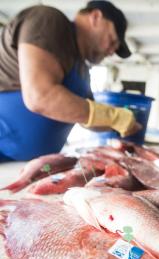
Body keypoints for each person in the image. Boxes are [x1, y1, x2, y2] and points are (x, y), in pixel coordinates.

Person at [0, 0, 141, 161]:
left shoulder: (82, 71)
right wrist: (115, 117)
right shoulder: (48, 21)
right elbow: (40, 97)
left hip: (36, 167)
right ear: (95, 17)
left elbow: (88, 119)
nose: (112, 51)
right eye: (113, 40)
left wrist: (123, 123)